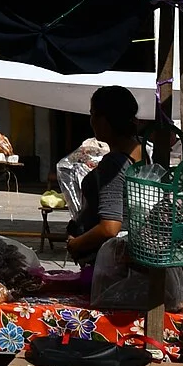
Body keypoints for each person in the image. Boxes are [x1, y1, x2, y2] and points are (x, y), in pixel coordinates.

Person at [66, 86, 145, 264]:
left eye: (93, 114)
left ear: (104, 120)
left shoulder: (114, 163)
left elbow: (110, 227)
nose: (91, 120)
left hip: (111, 262)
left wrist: (75, 244)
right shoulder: (142, 154)